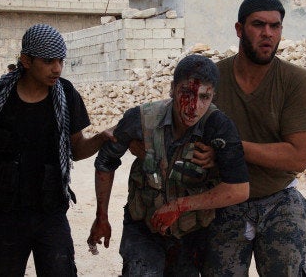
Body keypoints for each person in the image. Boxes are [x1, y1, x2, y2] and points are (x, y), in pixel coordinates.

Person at [0, 24, 112, 276]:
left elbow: (76, 149)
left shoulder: (66, 94)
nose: (57, 68)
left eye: (61, 61)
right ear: (26, 60)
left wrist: (100, 139)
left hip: (51, 211)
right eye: (49, 61)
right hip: (5, 211)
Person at [87, 54, 249, 276]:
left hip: (192, 232)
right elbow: (105, 162)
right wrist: (101, 217)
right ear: (172, 89)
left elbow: (238, 189)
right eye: (186, 93)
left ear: (213, 96)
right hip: (144, 227)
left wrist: (180, 205)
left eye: (204, 97)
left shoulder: (219, 127)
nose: (193, 107)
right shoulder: (141, 119)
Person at [201, 0, 306, 276]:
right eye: (258, 24)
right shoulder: (213, 79)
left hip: (278, 199)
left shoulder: (296, 81)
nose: (268, 33)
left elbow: (297, 157)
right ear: (239, 29)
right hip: (224, 198)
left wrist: (229, 148)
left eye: (275, 26)